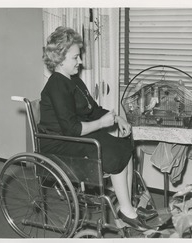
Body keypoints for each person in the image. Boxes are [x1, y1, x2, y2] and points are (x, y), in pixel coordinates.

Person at [38, 26, 157, 231]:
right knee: (112, 151)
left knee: (123, 147)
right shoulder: (57, 85)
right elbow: (72, 129)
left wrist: (117, 117)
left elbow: (92, 110)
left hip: (74, 137)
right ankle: (127, 211)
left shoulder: (73, 81)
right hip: (59, 143)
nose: (80, 61)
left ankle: (125, 206)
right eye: (76, 57)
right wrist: (102, 124)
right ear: (60, 58)